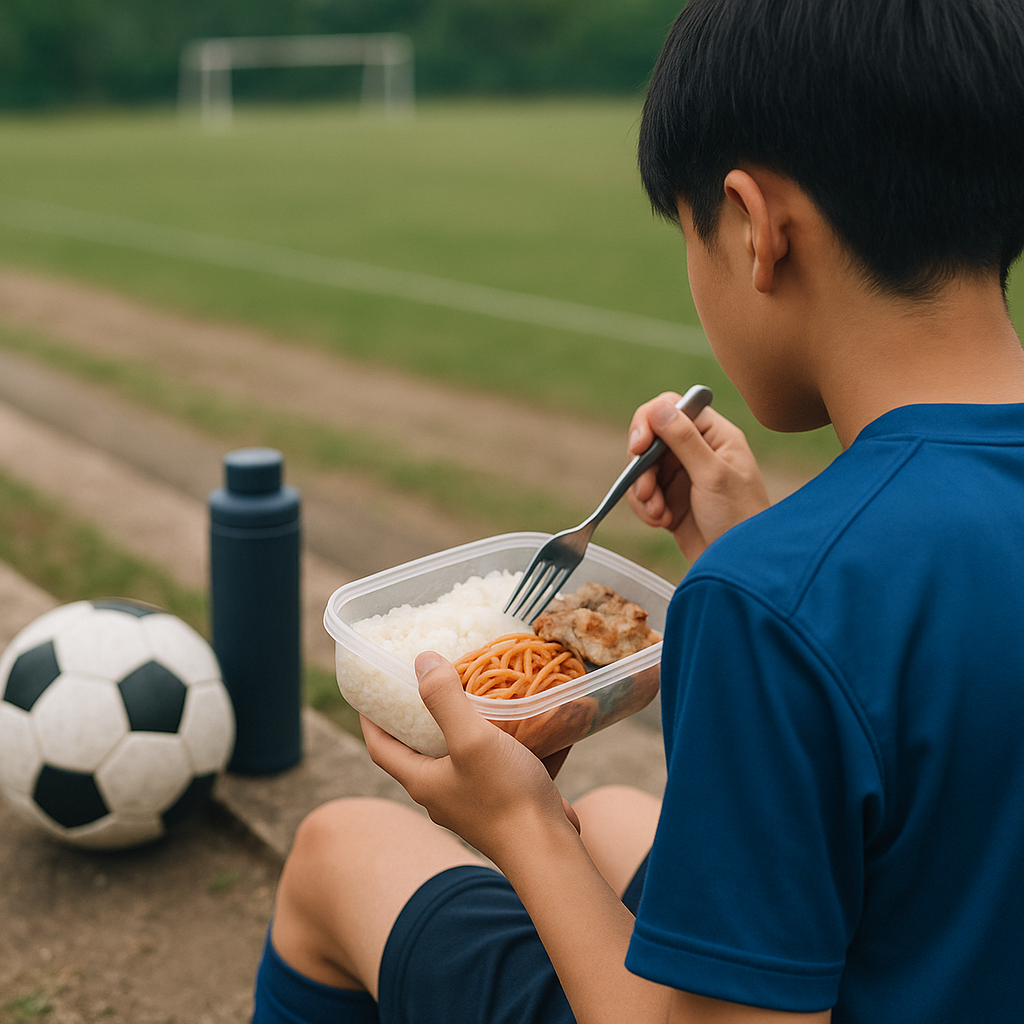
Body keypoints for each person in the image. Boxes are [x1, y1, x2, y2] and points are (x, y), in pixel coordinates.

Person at [252, 0, 1024, 1021]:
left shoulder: (768, 605)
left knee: (336, 851)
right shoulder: (792, 585)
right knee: (615, 812)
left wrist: (517, 821)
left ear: (755, 227)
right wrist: (765, 551)